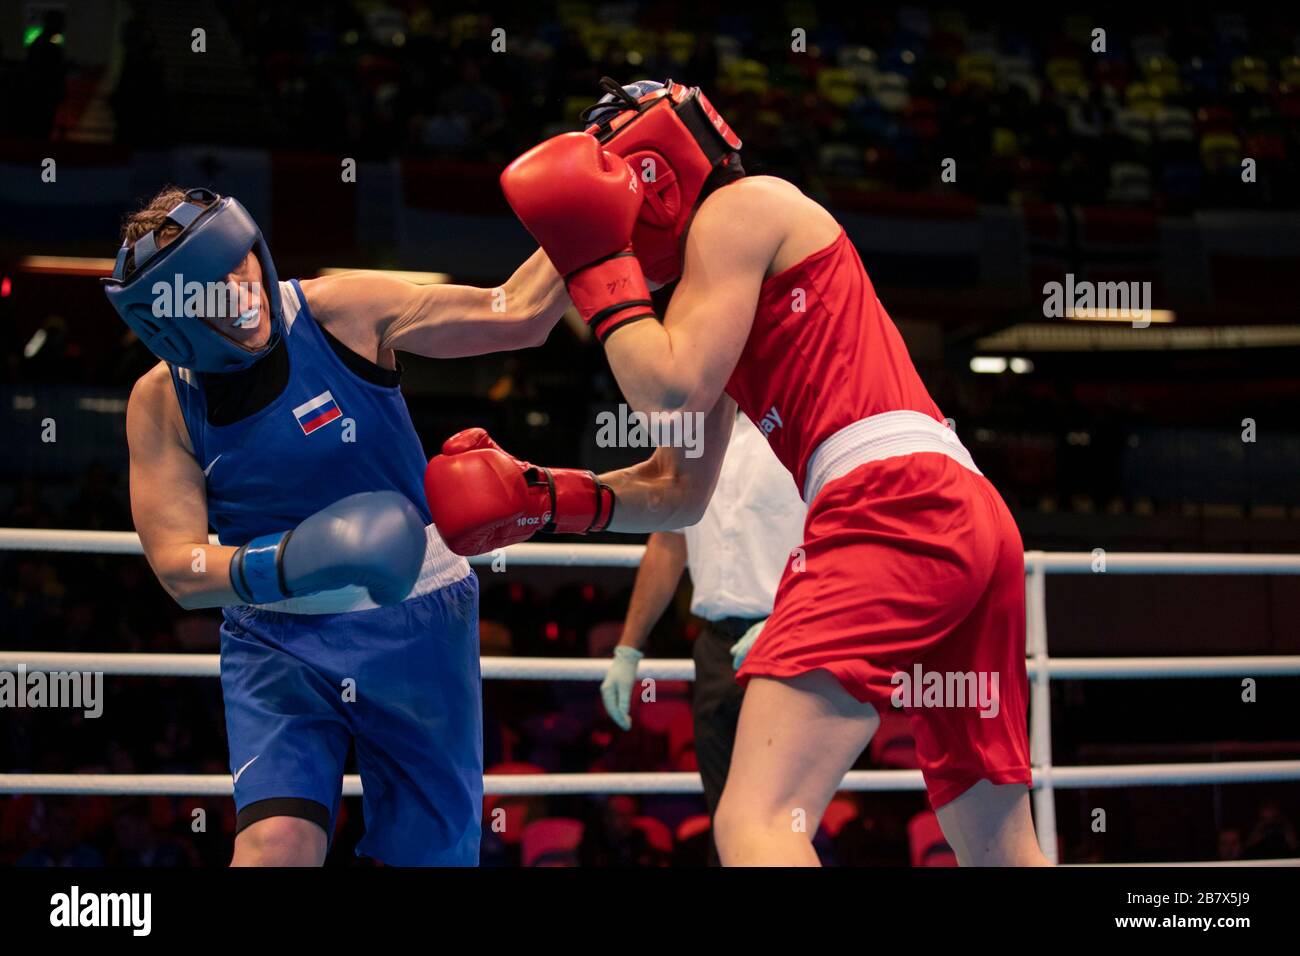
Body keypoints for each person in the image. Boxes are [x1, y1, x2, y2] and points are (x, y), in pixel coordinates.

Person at [425, 79, 1045, 866]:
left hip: (888, 506)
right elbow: (678, 491)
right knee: (996, 841)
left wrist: (596, 258)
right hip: (959, 516)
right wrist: (547, 498)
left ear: (653, 174)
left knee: (756, 820)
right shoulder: (717, 301)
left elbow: (666, 386)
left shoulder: (740, 208)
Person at [107, 186, 568, 865]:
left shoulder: (340, 311)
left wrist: (594, 203)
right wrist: (295, 558)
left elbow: (520, 314)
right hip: (275, 639)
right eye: (212, 284)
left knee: (431, 857)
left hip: (417, 617)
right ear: (168, 320)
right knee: (275, 846)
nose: (243, 288)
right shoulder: (162, 403)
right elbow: (179, 567)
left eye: (241, 262)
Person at [599, 410, 806, 861]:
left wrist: (796, 615)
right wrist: (629, 647)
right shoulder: (692, 435)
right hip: (714, 649)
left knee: (774, 823)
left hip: (789, 644)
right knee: (725, 825)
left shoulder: (801, 420)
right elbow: (670, 540)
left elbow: (843, 526)